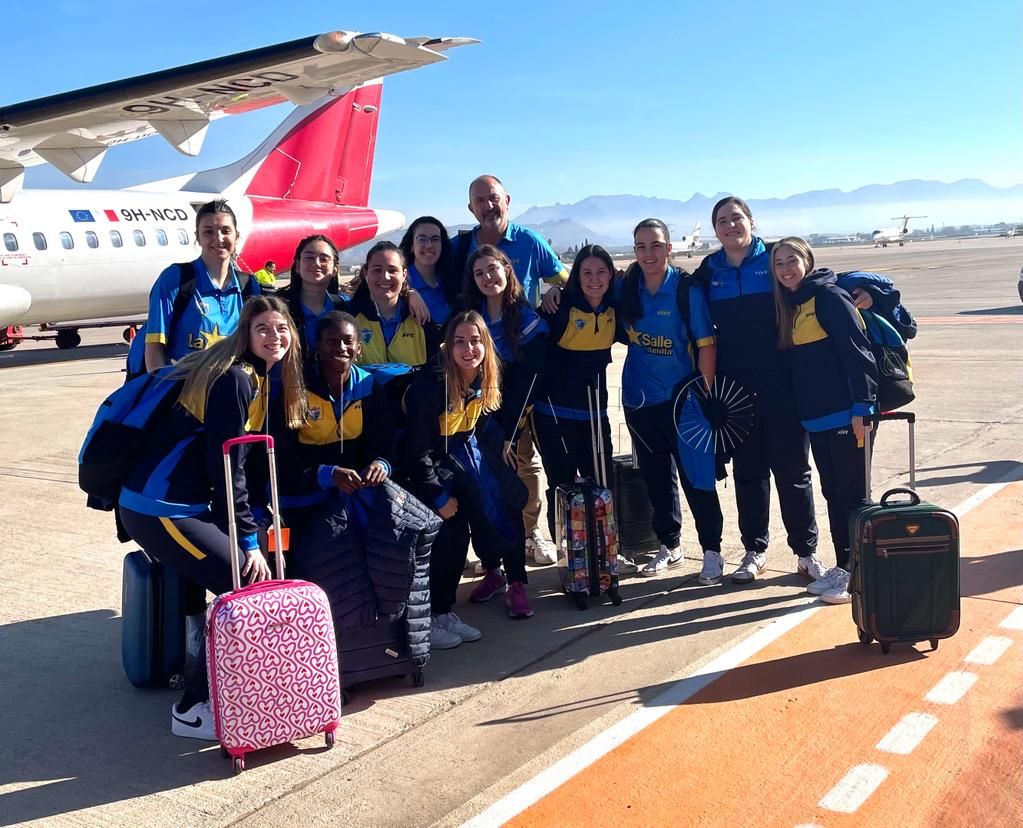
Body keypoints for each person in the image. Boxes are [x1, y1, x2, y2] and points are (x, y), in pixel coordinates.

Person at [117, 295, 306, 740]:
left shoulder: (252, 377)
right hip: (161, 509)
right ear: (246, 333)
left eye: (281, 329)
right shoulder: (236, 380)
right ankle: (192, 707)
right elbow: (226, 468)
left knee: (253, 579)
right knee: (243, 585)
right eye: (263, 328)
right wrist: (249, 541)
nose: (273, 337)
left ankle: (227, 685)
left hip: (184, 505)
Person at [693, 197, 824, 585]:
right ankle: (755, 551)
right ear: (715, 230)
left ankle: (806, 552)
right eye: (722, 221)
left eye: (737, 218)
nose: (730, 226)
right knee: (749, 474)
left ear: (751, 221)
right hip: (737, 392)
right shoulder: (709, 270)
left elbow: (818, 280)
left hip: (782, 385)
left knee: (793, 472)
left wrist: (869, 291)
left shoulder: (774, 261)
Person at [453, 175, 570, 563]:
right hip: (476, 385)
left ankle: (532, 532)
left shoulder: (530, 241)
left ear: (507, 200)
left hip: (522, 379)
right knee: (478, 461)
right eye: (480, 200)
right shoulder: (462, 247)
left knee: (525, 459)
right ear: (471, 208)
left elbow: (563, 279)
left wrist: (556, 290)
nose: (488, 205)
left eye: (494, 198)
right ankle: (488, 540)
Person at [404, 311, 533, 636]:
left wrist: (500, 446)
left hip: (462, 454)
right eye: (459, 341)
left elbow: (480, 420)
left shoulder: (485, 376)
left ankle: (512, 580)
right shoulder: (430, 387)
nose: (468, 348)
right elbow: (416, 451)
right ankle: (434, 615)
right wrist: (437, 494)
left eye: (475, 340)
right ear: (448, 346)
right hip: (425, 468)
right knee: (452, 526)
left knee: (509, 496)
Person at [616, 219, 725, 581]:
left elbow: (706, 344)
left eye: (656, 245)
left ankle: (712, 550)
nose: (649, 253)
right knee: (656, 478)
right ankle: (671, 545)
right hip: (638, 400)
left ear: (669, 249)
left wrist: (705, 393)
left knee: (698, 476)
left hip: (682, 400)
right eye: (641, 247)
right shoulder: (628, 287)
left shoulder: (684, 290)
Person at [771, 237, 877, 604]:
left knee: (854, 495)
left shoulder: (829, 297)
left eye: (791, 260)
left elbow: (857, 350)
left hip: (849, 414)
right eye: (778, 263)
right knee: (833, 493)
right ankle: (845, 564)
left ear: (807, 261)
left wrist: (864, 404)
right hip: (817, 419)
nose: (785, 268)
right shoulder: (791, 304)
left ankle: (860, 573)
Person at [533, 244, 639, 574]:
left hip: (594, 413)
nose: (594, 279)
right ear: (576, 277)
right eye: (587, 273)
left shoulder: (613, 308)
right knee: (562, 486)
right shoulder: (559, 306)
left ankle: (609, 552)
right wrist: (551, 291)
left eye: (602, 272)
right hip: (553, 413)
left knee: (602, 484)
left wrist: (623, 280)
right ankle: (570, 559)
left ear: (610, 275)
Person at [461, 245, 552, 574]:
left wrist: (510, 433)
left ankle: (531, 533)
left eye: (493, 269)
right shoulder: (471, 317)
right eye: (479, 273)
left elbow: (529, 380)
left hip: (516, 415)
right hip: (475, 416)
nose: (487, 277)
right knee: (482, 481)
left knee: (523, 470)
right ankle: (492, 552)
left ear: (507, 271)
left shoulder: (527, 320)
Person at [126, 199, 259, 376]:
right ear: (197, 237)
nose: (218, 238)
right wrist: (164, 389)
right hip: (183, 387)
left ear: (237, 236)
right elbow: (154, 349)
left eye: (226, 231)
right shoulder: (175, 279)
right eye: (208, 232)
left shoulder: (249, 287)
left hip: (229, 390)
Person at [349, 241, 441, 367]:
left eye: (392, 270)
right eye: (377, 270)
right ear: (366, 273)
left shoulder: (422, 319)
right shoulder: (350, 318)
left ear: (404, 275)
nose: (385, 277)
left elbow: (436, 370)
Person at [399, 216, 460, 328]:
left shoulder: (452, 280)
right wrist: (408, 294)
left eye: (435, 239)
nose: (429, 245)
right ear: (412, 245)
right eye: (422, 239)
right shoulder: (400, 280)